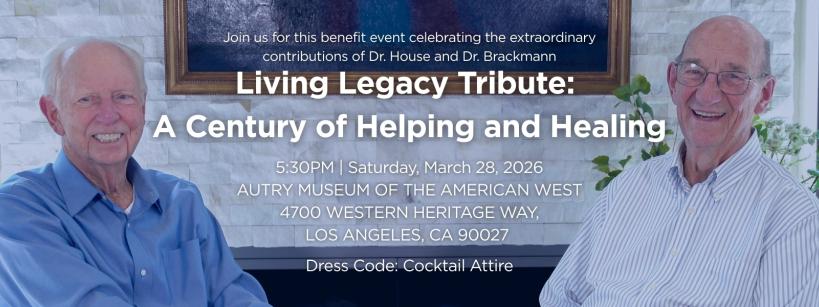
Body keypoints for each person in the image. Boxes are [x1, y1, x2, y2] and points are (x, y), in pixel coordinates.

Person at [539, 15, 819, 306]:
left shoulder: (795, 216)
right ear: (673, 81)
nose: (708, 94)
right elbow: (559, 296)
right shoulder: (628, 187)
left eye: (734, 76)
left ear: (764, 95)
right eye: (695, 71)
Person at [0, 38, 271, 306]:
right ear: (54, 115)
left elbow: (236, 296)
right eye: (87, 99)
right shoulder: (17, 210)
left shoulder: (183, 201)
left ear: (142, 107)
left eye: (123, 97)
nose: (109, 115)